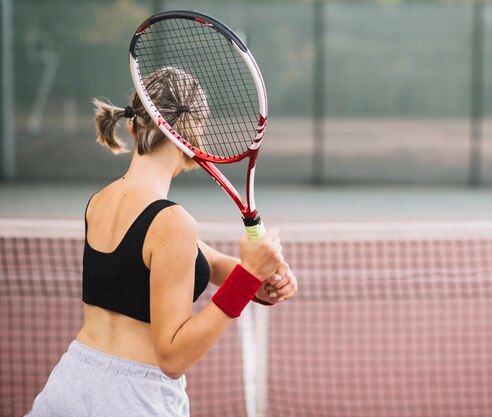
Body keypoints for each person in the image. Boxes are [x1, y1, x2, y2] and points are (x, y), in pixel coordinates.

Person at [26, 68, 298, 417]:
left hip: (70, 381)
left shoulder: (102, 201)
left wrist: (261, 280)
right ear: (194, 133)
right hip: (132, 400)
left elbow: (205, 261)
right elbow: (173, 358)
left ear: (131, 125)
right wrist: (247, 276)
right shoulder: (172, 221)